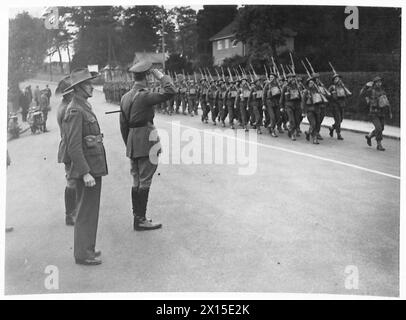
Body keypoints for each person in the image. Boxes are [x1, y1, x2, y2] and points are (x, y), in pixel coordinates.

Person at [120, 61, 176, 231]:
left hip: (132, 142)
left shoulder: (125, 97)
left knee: (137, 181)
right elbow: (170, 91)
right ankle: (141, 220)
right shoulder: (144, 95)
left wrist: (130, 144)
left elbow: (123, 125)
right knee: (145, 181)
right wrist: (159, 75)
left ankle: (137, 219)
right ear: (146, 77)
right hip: (146, 142)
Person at [61, 68, 108, 265]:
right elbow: (73, 146)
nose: (92, 86)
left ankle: (87, 247)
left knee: (91, 210)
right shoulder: (75, 109)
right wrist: (85, 172)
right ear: (79, 88)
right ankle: (82, 254)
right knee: (85, 212)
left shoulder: (83, 106)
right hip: (87, 169)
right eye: (88, 84)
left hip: (93, 165)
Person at [56, 75, 76, 226]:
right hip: (69, 148)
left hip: (67, 146)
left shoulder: (64, 106)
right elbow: (70, 134)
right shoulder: (67, 109)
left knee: (72, 180)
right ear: (68, 93)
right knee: (71, 181)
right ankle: (70, 215)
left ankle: (72, 213)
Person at [361, 76, 393, 151]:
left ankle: (369, 136)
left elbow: (387, 102)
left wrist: (390, 112)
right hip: (373, 112)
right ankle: (379, 145)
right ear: (374, 83)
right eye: (377, 82)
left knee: (381, 128)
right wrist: (365, 86)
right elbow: (362, 93)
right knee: (378, 128)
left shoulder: (382, 91)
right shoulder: (370, 90)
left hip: (381, 112)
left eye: (380, 82)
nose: (379, 83)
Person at [328, 73, 352, 140]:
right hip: (335, 105)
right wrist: (331, 94)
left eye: (339, 78)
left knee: (340, 120)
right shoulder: (332, 87)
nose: (338, 80)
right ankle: (338, 134)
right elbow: (327, 95)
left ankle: (332, 128)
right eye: (336, 79)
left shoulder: (343, 87)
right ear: (334, 81)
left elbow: (348, 94)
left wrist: (344, 87)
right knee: (338, 120)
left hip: (342, 105)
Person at [280, 73, 302, 141]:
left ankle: (291, 130)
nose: (292, 79)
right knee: (292, 120)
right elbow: (282, 98)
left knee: (297, 120)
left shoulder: (298, 86)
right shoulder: (285, 87)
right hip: (289, 106)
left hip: (297, 106)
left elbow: (302, 97)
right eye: (290, 78)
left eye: (293, 77)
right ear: (288, 79)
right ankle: (293, 134)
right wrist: (281, 107)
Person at [302, 77, 323, 144]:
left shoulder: (318, 90)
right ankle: (314, 138)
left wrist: (321, 93)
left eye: (313, 82)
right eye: (310, 83)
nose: (312, 83)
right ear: (308, 84)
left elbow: (323, 99)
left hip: (317, 110)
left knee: (318, 124)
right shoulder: (306, 91)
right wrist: (303, 112)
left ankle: (308, 132)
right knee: (313, 124)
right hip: (310, 110)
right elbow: (303, 102)